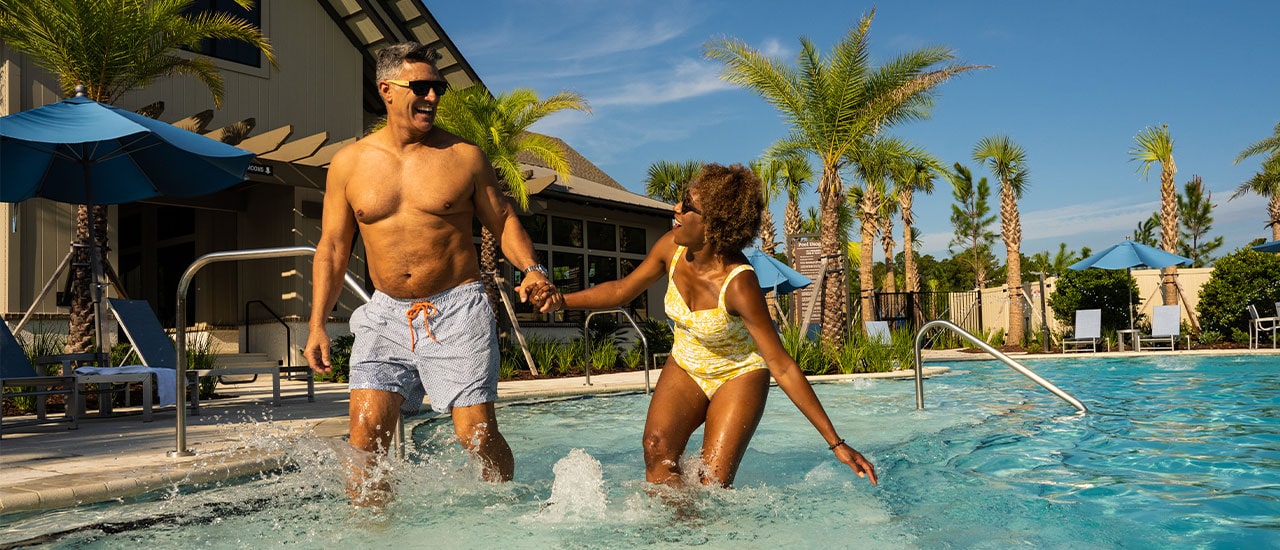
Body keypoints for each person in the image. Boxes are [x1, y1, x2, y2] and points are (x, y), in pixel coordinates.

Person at [304, 42, 558, 505]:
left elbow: (501, 221)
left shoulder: (464, 156)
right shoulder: (348, 163)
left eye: (437, 87)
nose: (433, 96)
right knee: (364, 441)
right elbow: (334, 247)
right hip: (384, 316)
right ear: (386, 90)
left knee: (476, 436)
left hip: (457, 309)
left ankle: (502, 510)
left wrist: (533, 269)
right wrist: (317, 322)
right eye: (421, 86)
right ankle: (371, 533)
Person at [532, 163, 877, 488]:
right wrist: (561, 300)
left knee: (711, 484)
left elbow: (782, 365)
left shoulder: (740, 284)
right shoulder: (671, 249)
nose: (675, 209)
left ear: (715, 224)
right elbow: (623, 290)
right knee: (656, 450)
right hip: (687, 362)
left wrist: (835, 442)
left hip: (738, 373)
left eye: (687, 206)